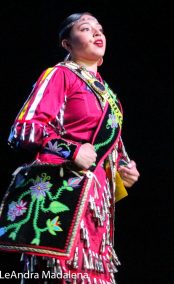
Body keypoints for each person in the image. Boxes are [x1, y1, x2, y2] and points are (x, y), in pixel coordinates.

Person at [0, 12, 139, 283]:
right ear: (67, 44)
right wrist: (71, 151)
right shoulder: (59, 75)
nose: (97, 34)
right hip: (60, 192)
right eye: (86, 29)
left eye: (100, 29)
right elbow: (24, 128)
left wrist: (124, 168)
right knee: (59, 274)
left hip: (96, 199)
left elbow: (112, 145)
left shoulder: (108, 94)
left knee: (90, 273)